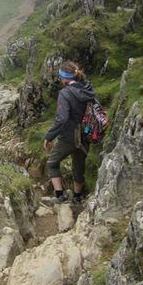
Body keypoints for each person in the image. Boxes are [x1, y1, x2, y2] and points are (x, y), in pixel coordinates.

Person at [43, 60, 95, 203]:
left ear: (65, 78)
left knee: (52, 162)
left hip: (69, 136)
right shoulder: (87, 88)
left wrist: (49, 136)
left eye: (60, 77)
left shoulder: (65, 94)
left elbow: (62, 119)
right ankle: (77, 198)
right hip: (86, 134)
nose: (60, 79)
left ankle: (60, 196)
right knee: (78, 166)